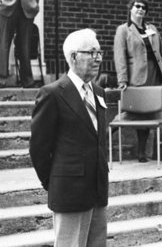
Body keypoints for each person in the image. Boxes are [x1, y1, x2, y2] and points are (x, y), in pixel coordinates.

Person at [29, 28, 109, 247]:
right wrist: (55, 181)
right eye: (92, 52)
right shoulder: (52, 94)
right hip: (69, 192)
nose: (98, 58)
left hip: (97, 189)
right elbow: (39, 148)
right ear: (74, 57)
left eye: (99, 52)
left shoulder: (99, 92)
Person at [113, 0, 162, 163]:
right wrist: (122, 80)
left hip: (154, 74)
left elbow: (161, 54)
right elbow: (119, 56)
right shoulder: (123, 30)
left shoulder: (152, 28)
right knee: (135, 112)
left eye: (143, 7)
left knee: (150, 113)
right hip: (136, 76)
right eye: (137, 6)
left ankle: (142, 152)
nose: (140, 10)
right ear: (130, 8)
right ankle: (106, 136)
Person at [0, 0, 39, 88]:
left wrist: (36, 1)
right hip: (5, 6)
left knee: (25, 45)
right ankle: (1, 79)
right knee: (3, 43)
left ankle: (27, 80)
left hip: (26, 6)